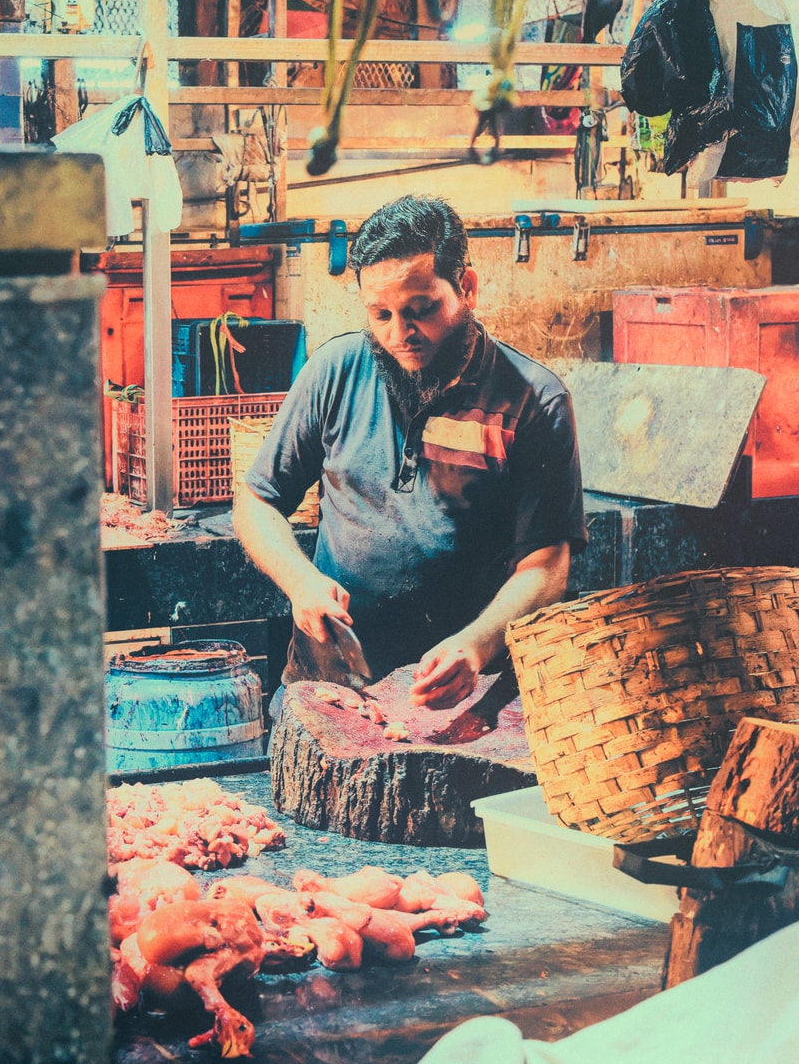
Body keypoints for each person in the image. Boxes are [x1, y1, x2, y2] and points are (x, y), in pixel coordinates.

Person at [235, 194, 584, 711]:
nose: (400, 335)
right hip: (327, 689)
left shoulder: (534, 401)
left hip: (458, 699)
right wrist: (300, 581)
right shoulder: (335, 371)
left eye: (421, 311)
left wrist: (477, 645)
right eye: (380, 314)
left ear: (466, 287)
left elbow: (546, 565)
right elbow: (256, 501)